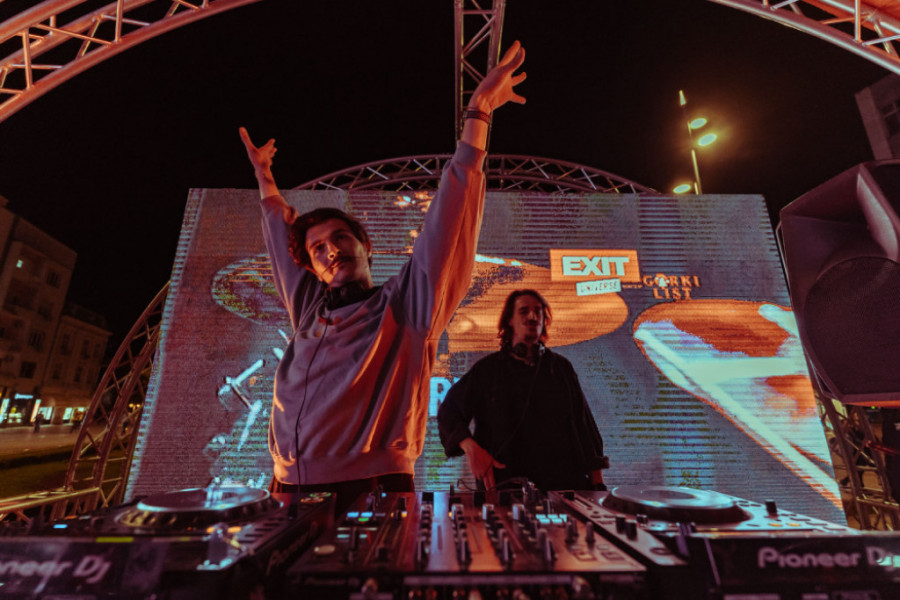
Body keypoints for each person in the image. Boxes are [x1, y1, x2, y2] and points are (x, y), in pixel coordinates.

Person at [239, 42, 527, 504]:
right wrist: (264, 179)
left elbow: (447, 222)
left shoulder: (406, 306)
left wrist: (478, 114)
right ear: (311, 267)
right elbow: (279, 241)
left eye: (340, 238)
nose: (331, 251)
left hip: (371, 487)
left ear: (365, 246)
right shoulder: (309, 310)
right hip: (287, 485)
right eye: (317, 249)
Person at [437, 289, 608, 492]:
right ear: (510, 320)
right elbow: (449, 411)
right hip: (505, 487)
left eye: (538, 311)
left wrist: (598, 484)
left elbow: (585, 428)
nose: (532, 316)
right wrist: (471, 448)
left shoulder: (561, 368)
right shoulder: (488, 370)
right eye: (524, 311)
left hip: (562, 487)